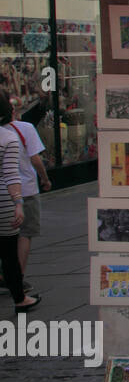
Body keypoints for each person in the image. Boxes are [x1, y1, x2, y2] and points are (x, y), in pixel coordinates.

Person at [5, 96, 50, 284]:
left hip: (4, 190)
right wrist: (45, 179)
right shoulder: (25, 128)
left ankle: (5, 273)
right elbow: (35, 159)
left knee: (6, 236)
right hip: (26, 189)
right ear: (12, 111)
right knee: (25, 233)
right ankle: (18, 277)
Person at [0, 97, 33, 310]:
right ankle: (20, 298)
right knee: (8, 253)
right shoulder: (8, 138)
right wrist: (18, 204)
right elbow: (11, 175)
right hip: (2, 203)